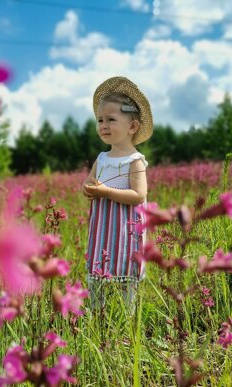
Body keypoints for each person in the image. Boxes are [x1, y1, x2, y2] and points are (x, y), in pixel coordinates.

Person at [83, 76, 153, 310]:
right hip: (102, 226)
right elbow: (91, 182)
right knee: (98, 272)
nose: (103, 125)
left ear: (132, 127)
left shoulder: (135, 160)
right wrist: (90, 189)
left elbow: (139, 195)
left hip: (125, 228)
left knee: (125, 272)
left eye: (111, 119)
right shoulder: (102, 159)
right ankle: (96, 315)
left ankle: (129, 317)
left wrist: (105, 191)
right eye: (100, 120)